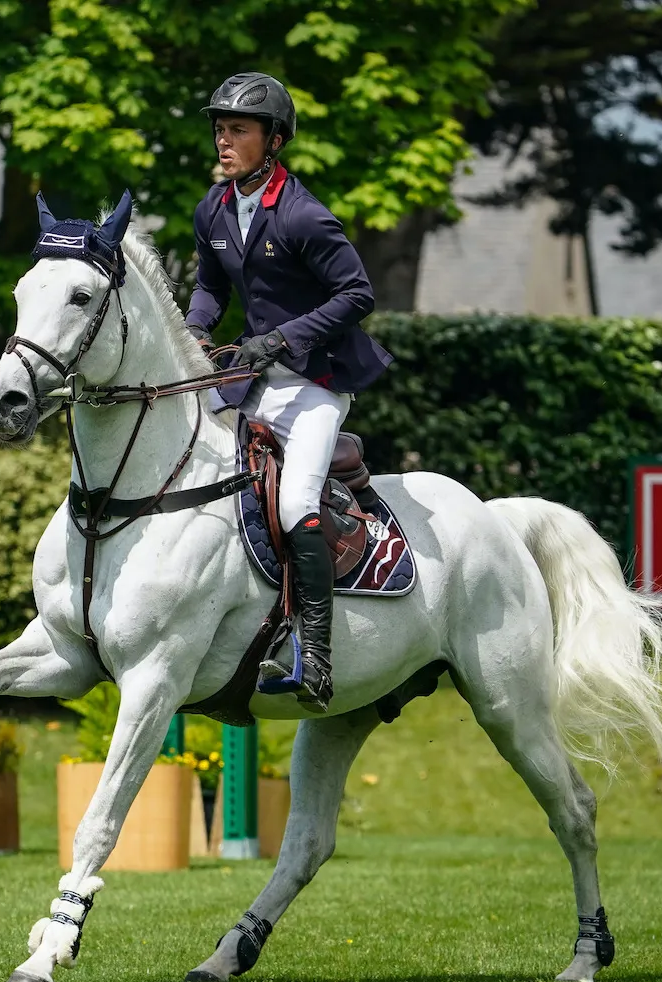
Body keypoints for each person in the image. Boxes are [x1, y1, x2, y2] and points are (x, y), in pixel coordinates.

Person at [185, 71, 393, 711]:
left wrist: (280, 340)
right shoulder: (214, 209)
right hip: (252, 378)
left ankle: (317, 656)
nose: (224, 141)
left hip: (316, 384)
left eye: (238, 130)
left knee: (295, 498)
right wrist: (193, 330)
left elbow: (358, 294)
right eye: (220, 129)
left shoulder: (303, 215)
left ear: (273, 140)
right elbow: (212, 289)